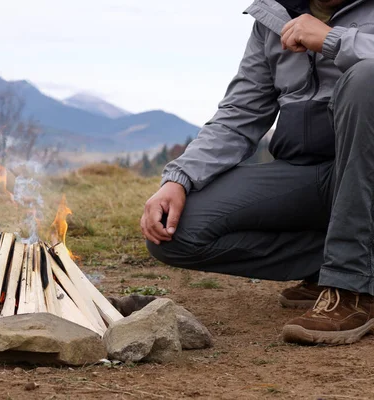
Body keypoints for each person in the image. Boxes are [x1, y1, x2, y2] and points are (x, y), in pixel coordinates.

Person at [141, 0, 374, 345]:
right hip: (310, 175)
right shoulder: (273, 17)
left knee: (367, 77)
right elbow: (239, 113)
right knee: (177, 231)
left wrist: (332, 40)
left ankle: (352, 287)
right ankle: (332, 264)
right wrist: (179, 177)